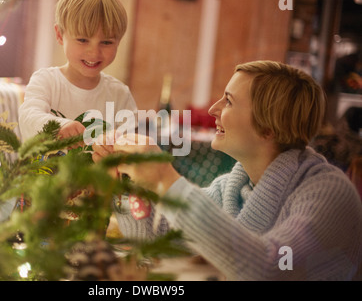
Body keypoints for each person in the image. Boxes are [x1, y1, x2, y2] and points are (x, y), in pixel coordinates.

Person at [93, 60, 362, 281]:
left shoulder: (328, 193)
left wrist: (166, 178)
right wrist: (130, 182)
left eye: (229, 101)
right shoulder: (233, 188)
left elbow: (269, 271)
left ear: (268, 128)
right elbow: (158, 238)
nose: (213, 109)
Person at [19, 0, 137, 144]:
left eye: (107, 42)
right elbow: (29, 117)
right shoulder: (46, 81)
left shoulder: (120, 95)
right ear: (60, 35)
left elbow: (133, 145)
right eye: (82, 40)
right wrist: (59, 127)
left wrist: (120, 142)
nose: (94, 52)